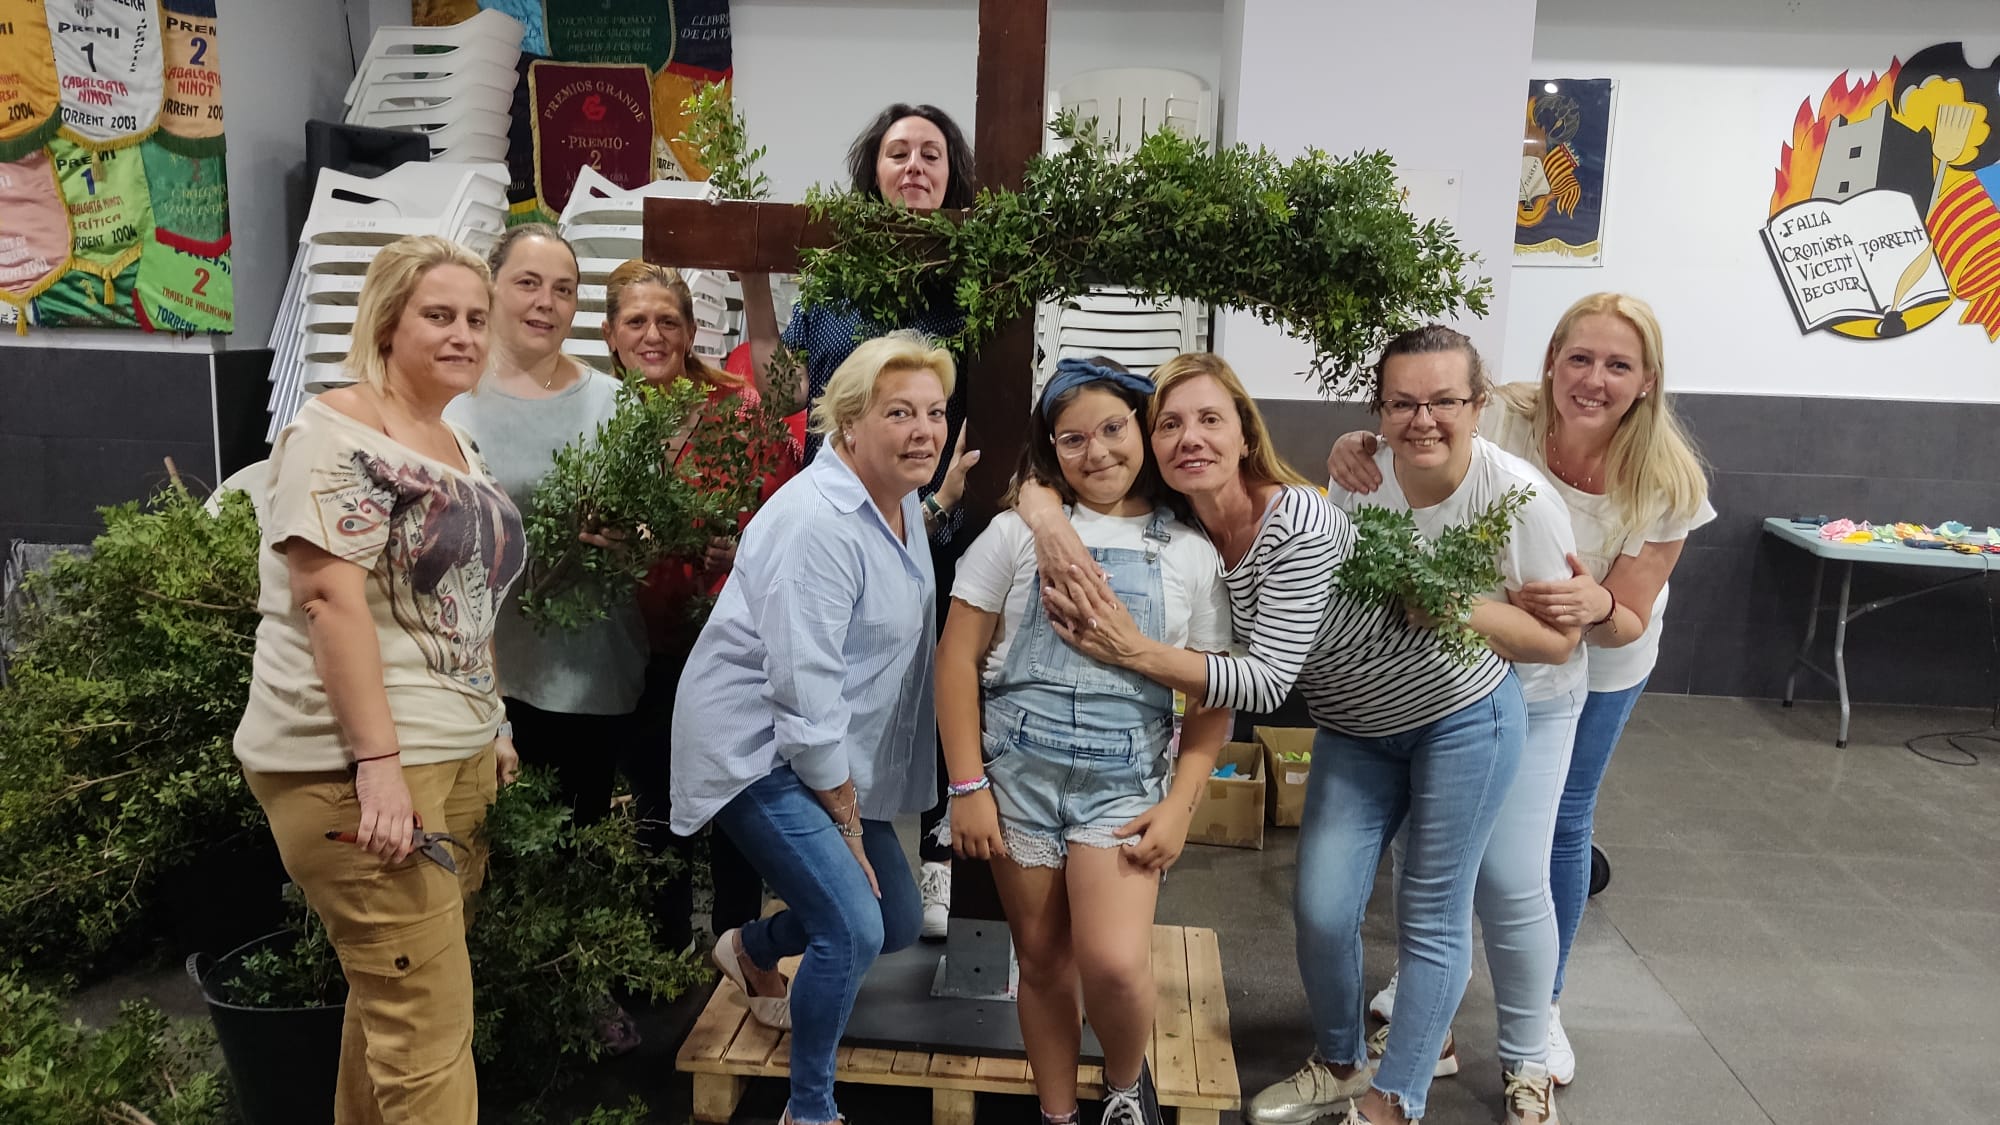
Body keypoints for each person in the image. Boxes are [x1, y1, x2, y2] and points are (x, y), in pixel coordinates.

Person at [1026, 352, 1526, 1125]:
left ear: (1245, 432)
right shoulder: (1185, 524)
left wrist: (1134, 652)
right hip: (1355, 727)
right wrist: (1044, 514)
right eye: (1170, 423)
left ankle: (1393, 1100)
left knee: (1431, 911)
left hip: (1457, 711)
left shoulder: (1295, 520)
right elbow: (1039, 478)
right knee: (1323, 909)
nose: (1190, 437)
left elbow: (1263, 684)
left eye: (1210, 418)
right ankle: (1341, 1063)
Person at [1328, 295, 1713, 1088]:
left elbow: (1622, 616)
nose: (1594, 379)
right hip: (1462, 666)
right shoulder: (1496, 415)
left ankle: (1542, 1008)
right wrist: (1356, 447)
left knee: (1546, 835)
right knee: (1429, 836)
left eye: (1618, 365)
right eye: (1580, 358)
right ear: (1550, 362)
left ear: (1647, 380)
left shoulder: (1667, 478)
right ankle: (1428, 979)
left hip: (1590, 655)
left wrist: (1594, 605)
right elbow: (1415, 430)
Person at [234, 234, 524, 1125]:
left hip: (449, 752)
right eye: (439, 315)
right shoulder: (335, 432)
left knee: (394, 1005)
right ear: (388, 323)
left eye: (476, 318)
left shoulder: (455, 439)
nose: (463, 334)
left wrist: (495, 723)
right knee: (428, 1040)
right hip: (357, 768)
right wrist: (379, 763)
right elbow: (329, 600)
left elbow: (469, 597)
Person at [938, 358, 1233, 1125]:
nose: (1096, 451)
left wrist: (1182, 805)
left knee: (1114, 963)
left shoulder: (1190, 551)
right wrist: (967, 787)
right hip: (1018, 784)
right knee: (1041, 962)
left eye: (1112, 428)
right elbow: (956, 661)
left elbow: (1211, 696)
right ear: (1051, 448)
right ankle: (1058, 1111)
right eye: (1073, 438)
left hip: (1123, 790)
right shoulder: (1014, 533)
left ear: (1142, 426)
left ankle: (1126, 1087)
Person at [670, 331, 953, 1125]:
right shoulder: (817, 523)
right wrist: (848, 822)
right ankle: (810, 1107)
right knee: (852, 926)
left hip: (819, 741)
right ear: (849, 424)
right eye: (899, 412)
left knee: (897, 920)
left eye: (934, 411)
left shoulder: (898, 504)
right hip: (757, 745)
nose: (924, 431)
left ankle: (751, 948)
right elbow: (803, 687)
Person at [1323, 325, 1586, 1125]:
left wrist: (1458, 606)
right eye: (1402, 403)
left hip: (1527, 699)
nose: (1423, 419)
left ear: (1478, 404)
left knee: (1507, 877)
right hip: (1421, 702)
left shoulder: (1521, 500)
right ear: (1379, 408)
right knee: (1421, 876)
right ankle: (1426, 1033)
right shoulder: (1363, 476)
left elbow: (1559, 640)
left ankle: (1528, 1057)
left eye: (1443, 400)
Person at [740, 101, 981, 940]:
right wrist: (754, 279)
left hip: (939, 511)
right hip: (843, 517)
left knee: (940, 674)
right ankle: (833, 849)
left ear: (952, 174)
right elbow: (785, 392)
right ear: (872, 172)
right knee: (838, 678)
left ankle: (938, 854)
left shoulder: (975, 281)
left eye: (931, 153)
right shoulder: (836, 284)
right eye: (897, 152)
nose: (914, 165)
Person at [600, 258, 772, 947]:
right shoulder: (600, 415)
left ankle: (740, 950)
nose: (653, 335)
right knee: (657, 804)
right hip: (636, 646)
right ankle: (664, 957)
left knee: (736, 805)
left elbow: (778, 517)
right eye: (636, 321)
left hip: (722, 643)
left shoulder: (737, 409)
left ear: (692, 330)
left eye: (668, 321)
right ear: (611, 333)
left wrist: (741, 548)